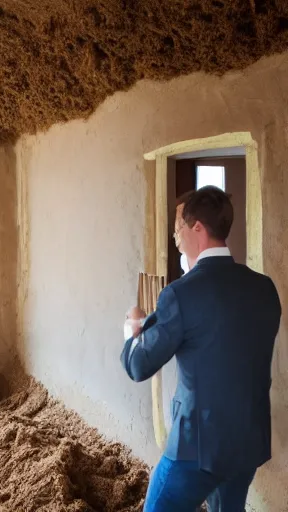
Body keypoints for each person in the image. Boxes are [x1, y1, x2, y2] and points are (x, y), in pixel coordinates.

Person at [121, 186, 281, 511]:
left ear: (198, 229)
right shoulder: (264, 288)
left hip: (198, 448)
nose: (176, 237)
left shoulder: (180, 294)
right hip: (248, 440)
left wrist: (132, 330)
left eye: (180, 229)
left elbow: (138, 365)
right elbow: (223, 338)